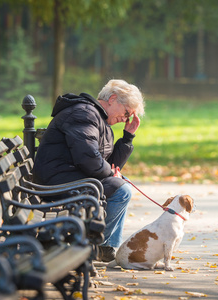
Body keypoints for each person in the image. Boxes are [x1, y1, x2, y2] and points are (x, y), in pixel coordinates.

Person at [32, 79, 145, 262]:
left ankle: (104, 246)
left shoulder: (100, 120)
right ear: (113, 99)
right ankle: (94, 246)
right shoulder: (84, 114)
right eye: (126, 113)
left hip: (71, 176)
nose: (126, 119)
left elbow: (109, 164)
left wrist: (127, 137)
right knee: (121, 189)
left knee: (119, 184)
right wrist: (111, 174)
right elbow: (88, 159)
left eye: (129, 116)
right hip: (56, 180)